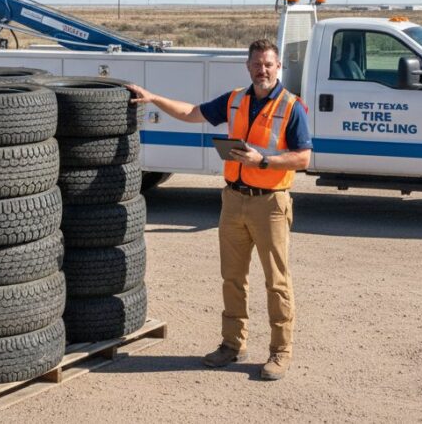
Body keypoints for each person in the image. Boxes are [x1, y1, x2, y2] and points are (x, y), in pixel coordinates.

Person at [127, 38, 312, 381]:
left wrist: (264, 160)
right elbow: (191, 112)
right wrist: (153, 98)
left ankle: (280, 351)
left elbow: (303, 157)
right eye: (257, 63)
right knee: (232, 278)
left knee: (277, 283)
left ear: (278, 67)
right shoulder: (235, 100)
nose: (263, 70)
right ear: (248, 66)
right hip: (233, 200)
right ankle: (232, 344)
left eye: (269, 64)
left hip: (271, 203)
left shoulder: (292, 106)